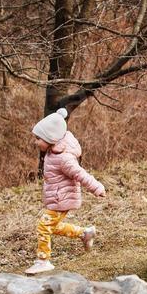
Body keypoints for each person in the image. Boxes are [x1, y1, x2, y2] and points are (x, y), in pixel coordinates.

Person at [26, 107, 106, 275]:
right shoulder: (52, 151)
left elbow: (80, 174)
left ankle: (43, 260)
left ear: (51, 138)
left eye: (39, 138)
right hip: (57, 197)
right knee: (52, 227)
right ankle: (85, 233)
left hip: (61, 199)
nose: (36, 142)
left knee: (43, 226)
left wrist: (97, 187)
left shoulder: (64, 158)